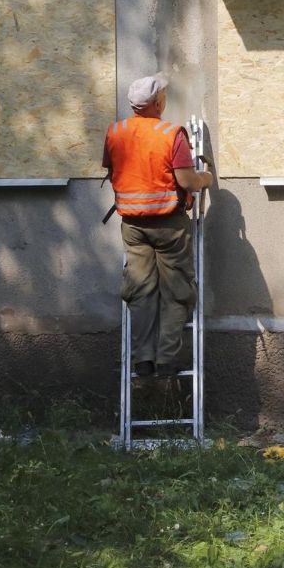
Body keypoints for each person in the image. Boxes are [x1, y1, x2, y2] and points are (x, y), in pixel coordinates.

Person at [103, 73, 213, 379]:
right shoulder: (170, 134)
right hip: (169, 225)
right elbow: (187, 181)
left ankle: (143, 361)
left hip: (133, 225)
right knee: (177, 290)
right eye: (163, 95)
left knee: (141, 291)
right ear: (158, 103)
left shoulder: (116, 132)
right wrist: (206, 178)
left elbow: (115, 173)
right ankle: (166, 361)